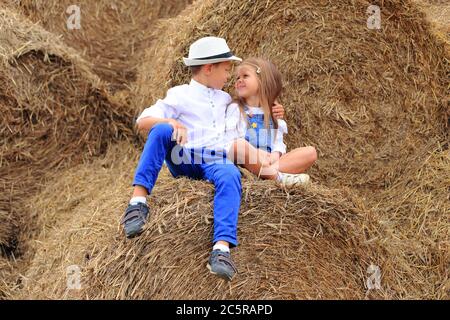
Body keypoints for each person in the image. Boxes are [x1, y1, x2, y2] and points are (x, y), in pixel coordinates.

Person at [121, 38, 283, 281]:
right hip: (185, 156)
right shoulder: (180, 94)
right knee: (161, 131)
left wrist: (275, 109)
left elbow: (251, 108)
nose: (229, 76)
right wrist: (170, 121)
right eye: (227, 70)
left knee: (230, 174)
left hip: (215, 160)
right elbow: (143, 121)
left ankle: (221, 249)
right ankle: (138, 203)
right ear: (209, 68)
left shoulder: (225, 100)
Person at [226, 58, 317, 186]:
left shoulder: (273, 112)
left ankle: (266, 174)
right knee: (239, 145)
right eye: (237, 78)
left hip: (270, 162)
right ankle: (277, 177)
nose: (239, 80)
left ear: (263, 81)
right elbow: (230, 141)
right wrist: (256, 154)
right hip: (247, 163)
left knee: (310, 152)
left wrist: (275, 154)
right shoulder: (236, 109)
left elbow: (278, 142)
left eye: (245, 76)